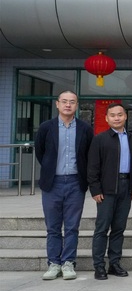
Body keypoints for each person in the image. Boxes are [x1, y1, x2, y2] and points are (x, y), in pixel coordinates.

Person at [34, 90, 93, 280]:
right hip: (52, 183)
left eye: (72, 102)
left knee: (72, 226)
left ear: (77, 105)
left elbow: (88, 155)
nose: (68, 105)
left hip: (75, 182)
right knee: (52, 227)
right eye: (65, 101)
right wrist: (50, 169)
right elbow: (40, 152)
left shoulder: (85, 128)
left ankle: (68, 262)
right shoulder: (46, 127)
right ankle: (53, 263)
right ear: (57, 104)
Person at [87, 103, 132, 280]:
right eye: (113, 115)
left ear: (125, 116)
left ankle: (114, 263)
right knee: (102, 228)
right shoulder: (100, 139)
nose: (116, 118)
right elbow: (92, 166)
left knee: (119, 228)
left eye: (120, 114)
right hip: (106, 189)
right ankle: (99, 266)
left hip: (126, 187)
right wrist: (95, 189)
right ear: (107, 118)